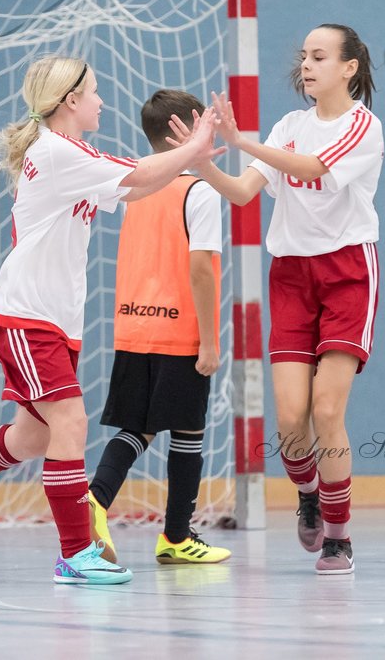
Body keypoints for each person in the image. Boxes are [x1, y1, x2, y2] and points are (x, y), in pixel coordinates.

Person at [0, 55, 223, 586]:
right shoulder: (58, 152)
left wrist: (185, 160)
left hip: (52, 320)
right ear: (70, 102)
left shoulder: (70, 154)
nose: (102, 102)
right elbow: (142, 173)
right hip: (28, 314)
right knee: (71, 424)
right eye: (95, 93)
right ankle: (76, 553)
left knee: (31, 439)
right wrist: (192, 150)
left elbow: (136, 186)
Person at [181, 23, 384, 575]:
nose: (307, 65)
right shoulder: (288, 127)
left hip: (347, 274)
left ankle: (339, 537)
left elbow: (317, 169)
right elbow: (246, 191)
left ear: (349, 67)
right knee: (291, 419)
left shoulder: (362, 125)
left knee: (326, 410)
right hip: (291, 276)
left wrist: (245, 141)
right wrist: (202, 162)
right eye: (304, 56)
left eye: (320, 56)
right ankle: (308, 495)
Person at [86, 89, 231, 567]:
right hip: (180, 330)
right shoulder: (200, 189)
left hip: (134, 325)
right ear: (186, 127)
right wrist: (209, 341)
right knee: (188, 430)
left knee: (138, 426)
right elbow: (200, 269)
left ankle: (95, 500)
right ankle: (175, 535)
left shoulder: (137, 188)